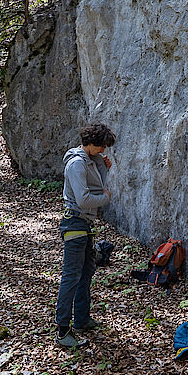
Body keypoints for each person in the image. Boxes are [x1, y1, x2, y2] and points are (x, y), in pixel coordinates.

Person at [54, 123, 115, 348]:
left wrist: (103, 166)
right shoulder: (77, 163)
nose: (103, 150)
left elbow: (96, 185)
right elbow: (85, 199)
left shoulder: (89, 160)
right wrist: (107, 198)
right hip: (75, 224)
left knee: (86, 271)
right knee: (71, 277)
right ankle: (62, 331)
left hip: (84, 225)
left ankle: (81, 319)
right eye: (101, 147)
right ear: (90, 143)